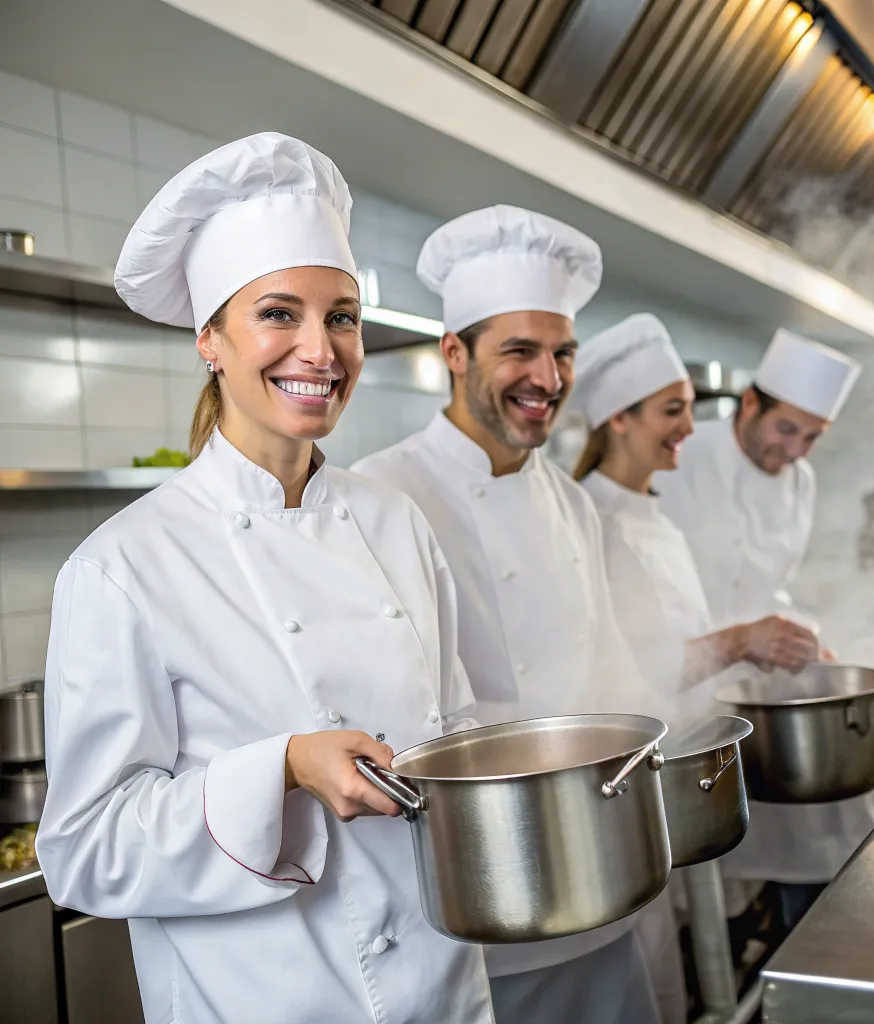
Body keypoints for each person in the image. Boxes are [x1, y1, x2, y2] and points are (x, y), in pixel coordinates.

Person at [35, 133, 493, 1024]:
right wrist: (280, 768)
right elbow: (84, 852)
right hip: (266, 1001)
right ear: (210, 339)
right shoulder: (124, 565)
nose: (321, 350)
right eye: (279, 314)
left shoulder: (396, 522)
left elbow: (456, 734)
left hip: (445, 987)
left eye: (343, 316)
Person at [353, 206, 666, 1024]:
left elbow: (612, 673)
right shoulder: (380, 498)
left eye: (562, 352)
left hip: (599, 878)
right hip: (479, 895)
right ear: (453, 353)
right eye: (520, 351)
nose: (550, 378)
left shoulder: (570, 501)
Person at [570, 314, 822, 1022]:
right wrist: (743, 639)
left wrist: (760, 641)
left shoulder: (652, 510)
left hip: (685, 763)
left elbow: (683, 640)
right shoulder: (594, 518)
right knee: (660, 972)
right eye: (672, 410)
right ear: (619, 419)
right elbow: (632, 672)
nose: (688, 427)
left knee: (698, 963)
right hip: (642, 775)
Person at [655, 328, 868, 930]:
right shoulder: (683, 457)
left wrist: (798, 633)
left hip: (758, 678)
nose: (795, 450)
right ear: (750, 404)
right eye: (786, 429)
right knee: (715, 865)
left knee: (809, 828)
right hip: (690, 681)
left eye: (812, 437)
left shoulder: (801, 480)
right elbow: (673, 591)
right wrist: (745, 635)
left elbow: (766, 583)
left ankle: (787, 937)